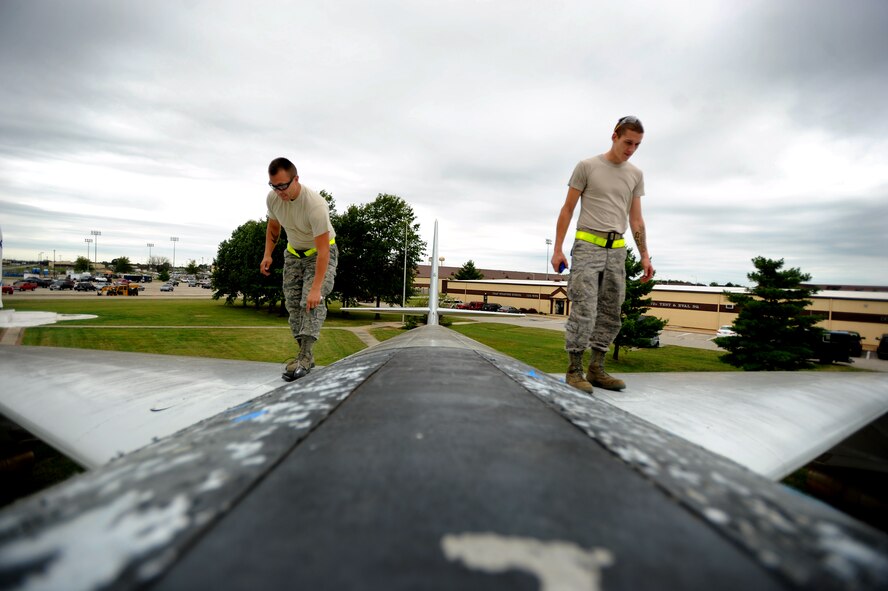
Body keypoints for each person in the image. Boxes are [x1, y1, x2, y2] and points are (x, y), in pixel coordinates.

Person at [551, 116, 654, 393]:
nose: (631, 149)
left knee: (611, 311)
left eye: (637, 144)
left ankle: (597, 368)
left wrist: (645, 256)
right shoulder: (587, 166)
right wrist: (558, 248)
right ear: (614, 136)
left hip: (617, 250)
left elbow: (636, 220)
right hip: (587, 247)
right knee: (584, 309)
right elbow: (567, 209)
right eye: (628, 142)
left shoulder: (635, 175)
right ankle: (574, 370)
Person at [261, 157, 338, 381]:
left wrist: (316, 288)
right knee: (293, 305)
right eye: (274, 186)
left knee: (311, 302)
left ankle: (304, 357)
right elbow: (273, 227)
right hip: (293, 254)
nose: (279, 191)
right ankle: (305, 354)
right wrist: (267, 254)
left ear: (296, 179)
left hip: (320, 255)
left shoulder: (315, 205)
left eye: (283, 186)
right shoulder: (273, 199)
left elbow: (324, 251)